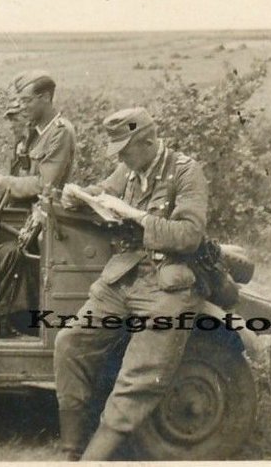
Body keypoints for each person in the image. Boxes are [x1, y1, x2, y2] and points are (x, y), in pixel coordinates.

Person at [53, 108, 209, 460]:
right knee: (70, 343)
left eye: (125, 149)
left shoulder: (186, 173)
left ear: (149, 142)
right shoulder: (130, 168)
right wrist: (78, 195)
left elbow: (189, 236)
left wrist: (136, 216)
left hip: (167, 284)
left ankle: (93, 457)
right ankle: (69, 450)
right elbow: (105, 191)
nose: (120, 157)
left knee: (138, 375)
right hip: (123, 278)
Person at [0, 71, 75, 199]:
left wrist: (3, 182)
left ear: (46, 97)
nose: (22, 106)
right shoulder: (33, 129)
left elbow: (45, 184)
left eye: (27, 100)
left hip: (47, 214)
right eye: (20, 101)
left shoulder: (61, 132)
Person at [3, 96, 31, 176]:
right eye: (10, 120)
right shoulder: (18, 145)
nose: (11, 126)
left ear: (28, 119)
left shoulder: (39, 143)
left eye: (15, 120)